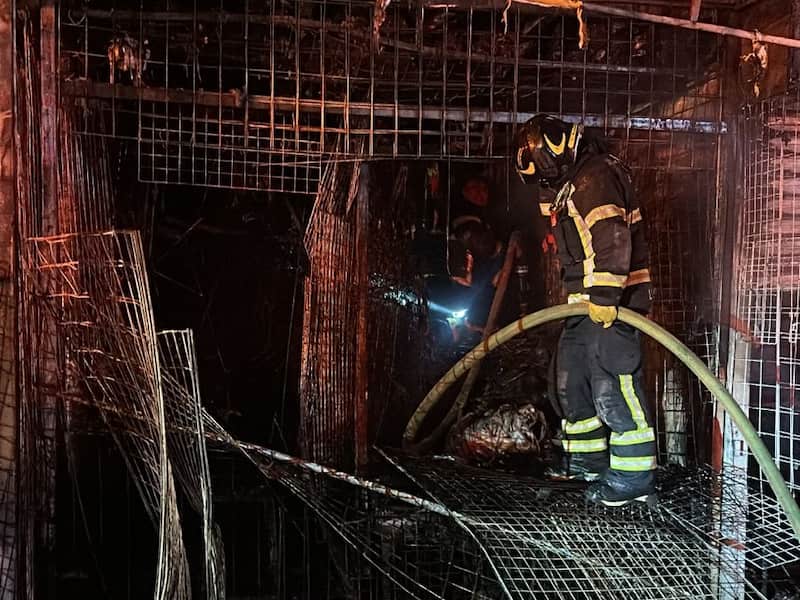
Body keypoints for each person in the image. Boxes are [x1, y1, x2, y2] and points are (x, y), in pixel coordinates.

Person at [514, 114, 656, 507]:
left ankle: (633, 477)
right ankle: (587, 463)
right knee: (569, 380)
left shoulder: (595, 177)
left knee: (613, 383)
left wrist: (607, 298)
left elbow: (611, 237)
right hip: (583, 303)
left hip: (615, 301)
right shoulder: (563, 186)